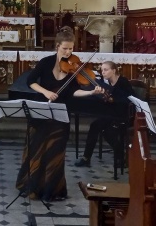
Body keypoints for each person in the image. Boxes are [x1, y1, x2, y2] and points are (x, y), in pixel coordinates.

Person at [16, 27, 103, 202]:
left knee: (55, 153)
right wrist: (46, 92)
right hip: (40, 111)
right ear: (57, 46)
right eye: (65, 48)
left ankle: (52, 189)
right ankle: (31, 185)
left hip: (60, 115)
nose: (68, 52)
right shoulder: (45, 62)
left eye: (71, 49)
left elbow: (73, 92)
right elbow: (30, 81)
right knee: (36, 150)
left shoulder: (74, 68)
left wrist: (91, 93)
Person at [74, 61, 134, 167]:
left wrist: (112, 99)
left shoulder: (123, 81)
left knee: (106, 130)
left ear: (114, 70)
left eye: (106, 70)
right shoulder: (106, 83)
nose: (103, 72)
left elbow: (129, 100)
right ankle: (86, 158)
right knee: (95, 126)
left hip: (123, 115)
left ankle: (121, 156)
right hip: (111, 114)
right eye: (102, 70)